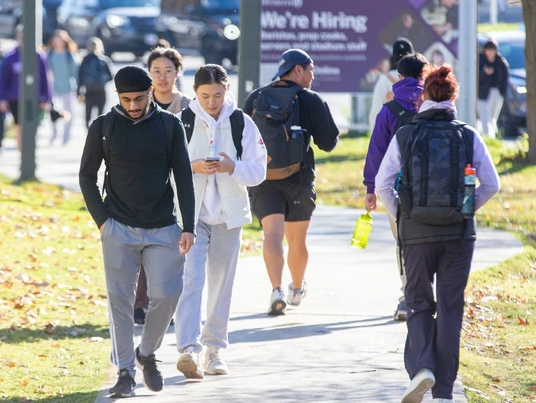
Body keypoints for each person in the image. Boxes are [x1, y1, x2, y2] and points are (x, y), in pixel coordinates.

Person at [375, 64, 500, 403]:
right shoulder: (467, 134)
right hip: (458, 234)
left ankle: (422, 369)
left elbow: (383, 183)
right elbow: (491, 183)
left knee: (417, 302)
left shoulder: (407, 134)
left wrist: (403, 214)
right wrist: (465, 209)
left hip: (415, 234)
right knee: (449, 307)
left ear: (423, 97)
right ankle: (443, 391)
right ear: (452, 97)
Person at [79, 65, 196, 398]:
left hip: (163, 228)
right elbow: (86, 176)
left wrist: (188, 225)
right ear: (118, 96)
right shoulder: (103, 127)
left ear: (149, 94)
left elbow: (184, 177)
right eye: (126, 99)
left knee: (168, 294)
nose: (133, 106)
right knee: (120, 303)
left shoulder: (170, 125)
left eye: (139, 99)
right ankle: (126, 373)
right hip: (118, 227)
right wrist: (102, 221)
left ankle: (146, 353)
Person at [174, 64, 267, 379]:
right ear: (194, 93)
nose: (211, 102)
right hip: (191, 216)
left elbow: (258, 171)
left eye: (217, 95)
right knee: (191, 280)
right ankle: (189, 349)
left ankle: (214, 351)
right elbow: (164, 171)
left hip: (229, 218)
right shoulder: (182, 122)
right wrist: (193, 167)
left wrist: (232, 167)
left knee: (221, 285)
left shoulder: (243, 122)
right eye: (204, 96)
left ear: (227, 90)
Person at [244, 49, 339, 316]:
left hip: (263, 177)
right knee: (297, 240)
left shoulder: (256, 97)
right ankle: (296, 288)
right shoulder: (309, 100)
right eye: (311, 69)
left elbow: (240, 136)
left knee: (272, 234)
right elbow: (329, 143)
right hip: (298, 177)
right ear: (297, 70)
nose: (313, 75)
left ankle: (276, 290)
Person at [363, 53, 429, 322]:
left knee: (404, 242)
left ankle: (408, 297)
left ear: (399, 77)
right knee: (431, 241)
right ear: (424, 75)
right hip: (433, 188)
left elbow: (376, 151)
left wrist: (370, 187)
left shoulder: (389, 110)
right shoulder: (434, 104)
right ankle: (428, 292)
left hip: (398, 190)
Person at [133, 46, 192, 325]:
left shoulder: (190, 108)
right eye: (156, 71)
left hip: (180, 188)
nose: (162, 77)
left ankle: (167, 307)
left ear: (178, 73)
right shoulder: (139, 106)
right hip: (147, 188)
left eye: (168, 71)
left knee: (170, 250)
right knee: (144, 247)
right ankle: (140, 303)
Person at [0, 25, 52, 151]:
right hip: (15, 97)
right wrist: (2, 99)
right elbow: (3, 80)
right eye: (21, 36)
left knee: (32, 125)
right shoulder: (10, 57)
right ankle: (22, 153)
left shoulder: (39, 56)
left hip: (35, 98)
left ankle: (30, 151)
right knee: (19, 126)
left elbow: (46, 78)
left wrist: (47, 99)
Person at [369, 38, 414, 133]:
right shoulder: (419, 80)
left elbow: (376, 112)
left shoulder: (384, 80)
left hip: (391, 133)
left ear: (392, 57)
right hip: (413, 134)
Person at [47, 29, 78, 145]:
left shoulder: (70, 55)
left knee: (69, 113)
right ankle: (55, 133)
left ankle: (66, 136)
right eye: (56, 40)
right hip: (53, 88)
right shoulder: (49, 54)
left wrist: (78, 89)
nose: (58, 42)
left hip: (67, 88)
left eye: (60, 40)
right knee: (54, 113)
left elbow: (75, 73)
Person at [77, 37, 114, 128]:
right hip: (94, 91)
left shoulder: (100, 60)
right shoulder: (99, 60)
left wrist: (79, 91)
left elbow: (80, 77)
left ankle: (95, 134)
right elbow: (110, 76)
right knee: (94, 115)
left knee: (96, 115)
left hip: (95, 91)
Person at [477, 39, 509, 139]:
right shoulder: (480, 61)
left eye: (492, 50)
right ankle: (488, 139)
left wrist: (502, 94)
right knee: (485, 118)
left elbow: (505, 79)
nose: (490, 52)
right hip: (482, 94)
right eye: (488, 50)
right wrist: (484, 72)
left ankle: (493, 139)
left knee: (492, 118)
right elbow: (475, 77)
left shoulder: (501, 62)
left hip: (496, 93)